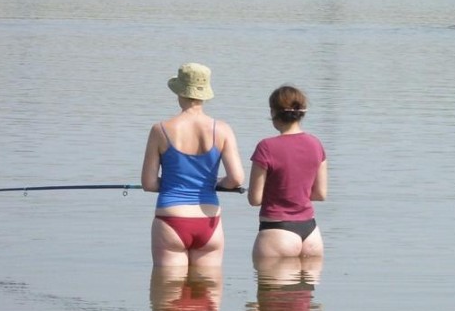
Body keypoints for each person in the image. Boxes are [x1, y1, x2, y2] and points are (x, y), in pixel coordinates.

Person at [141, 62, 245, 266]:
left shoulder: (160, 130)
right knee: (208, 293)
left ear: (179, 92)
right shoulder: (223, 130)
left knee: (168, 294)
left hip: (171, 218)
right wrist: (215, 183)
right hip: (209, 221)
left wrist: (173, 183)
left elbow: (149, 184)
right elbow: (236, 179)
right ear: (205, 94)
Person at [248, 84, 328, 261]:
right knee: (304, 290)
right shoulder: (316, 144)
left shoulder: (266, 147)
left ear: (273, 112)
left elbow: (255, 199)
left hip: (277, 231)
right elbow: (320, 194)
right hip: (311, 233)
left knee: (273, 289)